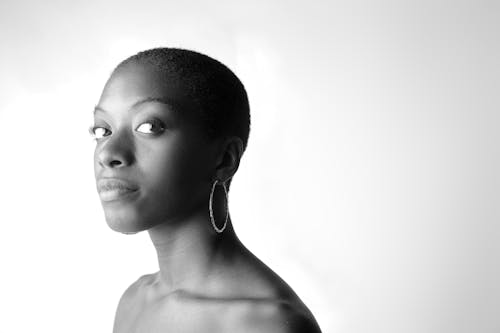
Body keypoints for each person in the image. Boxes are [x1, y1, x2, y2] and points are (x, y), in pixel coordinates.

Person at [90, 47, 322, 333]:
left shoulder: (266, 324)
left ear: (224, 158)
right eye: (102, 130)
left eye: (149, 126)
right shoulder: (133, 302)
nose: (108, 153)